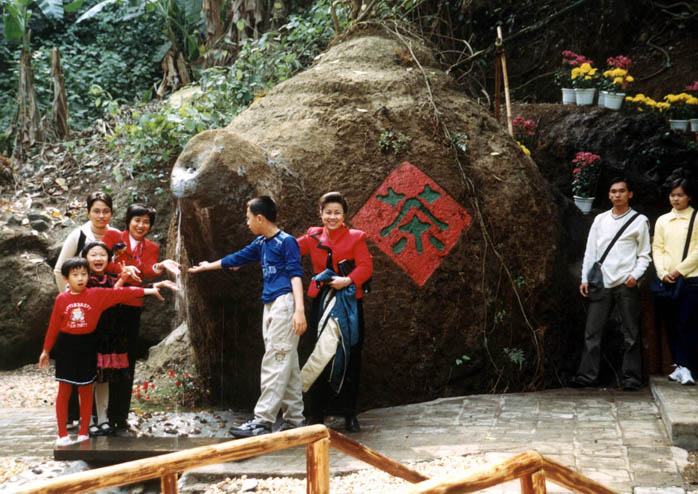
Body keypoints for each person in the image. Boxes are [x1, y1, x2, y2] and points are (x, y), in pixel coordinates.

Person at [189, 196, 307, 437]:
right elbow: (237, 257)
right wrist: (207, 266)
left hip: (285, 303)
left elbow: (296, 275)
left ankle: (262, 420)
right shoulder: (262, 243)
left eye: (248, 217)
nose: (247, 222)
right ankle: (295, 419)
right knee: (287, 361)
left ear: (260, 218)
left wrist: (299, 310)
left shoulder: (287, 242)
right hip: (270, 303)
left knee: (275, 361)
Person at [38, 257, 174, 446]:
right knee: (65, 390)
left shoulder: (96, 294)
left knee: (86, 390)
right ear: (66, 278)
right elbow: (53, 326)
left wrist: (149, 290)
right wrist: (46, 350)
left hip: (88, 345)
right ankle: (62, 435)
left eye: (84, 274)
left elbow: (124, 293)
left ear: (88, 276)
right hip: (67, 347)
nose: (80, 279)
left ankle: (84, 432)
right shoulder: (62, 299)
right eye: (75, 275)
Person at [297, 192, 373, 432]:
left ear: (344, 215)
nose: (332, 216)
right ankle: (315, 413)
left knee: (351, 353)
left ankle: (349, 413)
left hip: (349, 303)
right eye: (327, 212)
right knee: (319, 355)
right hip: (321, 302)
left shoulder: (356, 237)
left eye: (337, 212)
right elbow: (286, 248)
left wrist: (347, 280)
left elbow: (365, 266)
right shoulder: (312, 237)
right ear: (320, 214)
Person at [102, 203, 180, 432]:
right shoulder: (114, 238)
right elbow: (104, 262)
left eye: (146, 222)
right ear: (128, 221)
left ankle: (120, 415)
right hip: (109, 302)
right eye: (137, 220)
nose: (141, 225)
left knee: (126, 359)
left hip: (132, 305)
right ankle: (100, 414)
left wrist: (160, 265)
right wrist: (123, 271)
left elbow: (147, 270)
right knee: (105, 358)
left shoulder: (151, 247)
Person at [570, 177, 651, 391]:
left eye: (622, 191)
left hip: (626, 283)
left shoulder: (639, 221)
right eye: (613, 191)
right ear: (608, 194)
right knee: (592, 332)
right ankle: (587, 376)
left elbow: (645, 255)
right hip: (601, 282)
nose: (617, 195)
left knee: (631, 333)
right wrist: (585, 278)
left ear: (630, 194)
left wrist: (635, 275)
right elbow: (591, 252)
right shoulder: (600, 220)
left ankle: (631, 378)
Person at [53, 191, 119, 430]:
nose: (101, 216)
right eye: (96, 211)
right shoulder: (78, 235)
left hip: (106, 309)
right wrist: (71, 300)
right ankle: (79, 418)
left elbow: (119, 266)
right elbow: (59, 269)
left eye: (106, 211)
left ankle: (103, 418)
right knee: (79, 366)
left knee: (103, 367)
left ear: (111, 212)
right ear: (88, 212)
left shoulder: (115, 235)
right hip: (79, 311)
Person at [652, 172, 698, 385]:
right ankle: (678, 365)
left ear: (688, 196)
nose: (676, 199)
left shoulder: (696, 218)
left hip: (690, 279)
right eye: (672, 195)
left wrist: (678, 270)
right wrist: (663, 273)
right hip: (667, 280)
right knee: (670, 323)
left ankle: (687, 366)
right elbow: (657, 248)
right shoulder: (663, 220)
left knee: (686, 323)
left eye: (680, 195)